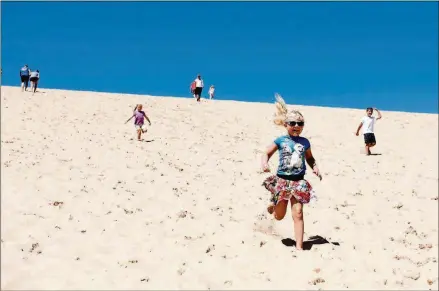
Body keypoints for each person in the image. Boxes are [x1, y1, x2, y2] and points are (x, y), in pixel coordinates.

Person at [260, 94, 322, 250]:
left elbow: (310, 158)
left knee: (298, 213)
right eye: (293, 123)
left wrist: (315, 167)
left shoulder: (305, 142)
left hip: (299, 181)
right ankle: (274, 205)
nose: (296, 126)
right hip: (282, 181)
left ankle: (299, 247)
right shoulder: (281, 140)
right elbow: (266, 153)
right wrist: (264, 163)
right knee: (279, 216)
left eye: (300, 123)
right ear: (286, 124)